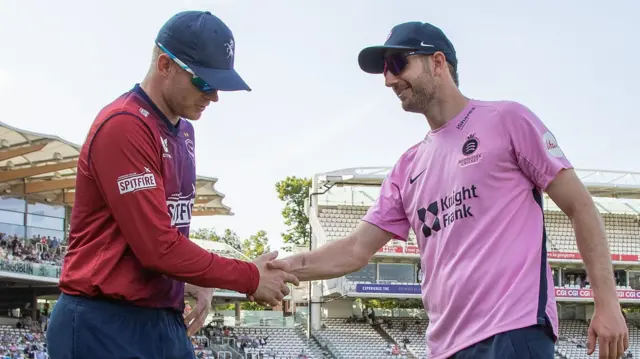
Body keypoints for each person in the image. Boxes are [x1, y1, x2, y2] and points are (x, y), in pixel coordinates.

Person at [264, 21, 629, 359]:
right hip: (445, 346)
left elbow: (581, 206)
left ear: (438, 62)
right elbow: (354, 250)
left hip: (514, 331)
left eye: (397, 63)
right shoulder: (407, 167)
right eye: (385, 70)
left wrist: (607, 303)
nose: (389, 80)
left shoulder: (507, 120)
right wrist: (275, 269)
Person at [46, 10, 298, 359]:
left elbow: (164, 233)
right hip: (102, 319)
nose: (215, 97)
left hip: (159, 317)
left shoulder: (184, 131)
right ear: (165, 64)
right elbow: (157, 247)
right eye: (205, 83)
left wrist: (196, 280)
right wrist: (248, 277)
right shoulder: (125, 126)